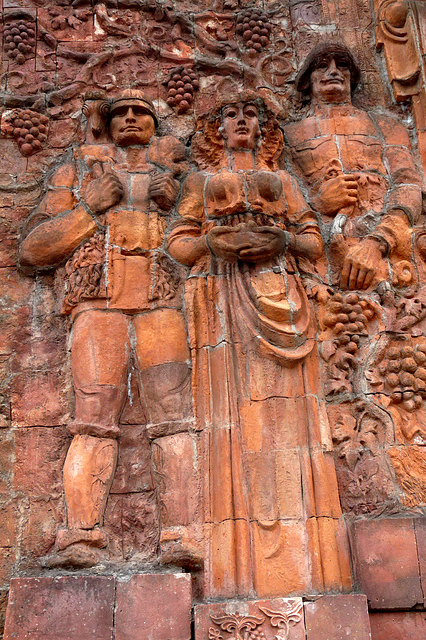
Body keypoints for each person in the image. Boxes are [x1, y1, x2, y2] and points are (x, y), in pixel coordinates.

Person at [167, 94, 352, 598]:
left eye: (250, 115)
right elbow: (179, 243)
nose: (241, 121)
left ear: (264, 129)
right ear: (217, 129)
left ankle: (311, 569)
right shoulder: (201, 184)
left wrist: (282, 242)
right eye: (231, 114)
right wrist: (213, 244)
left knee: (297, 427)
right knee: (230, 423)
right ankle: (235, 578)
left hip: (284, 298)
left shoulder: (286, 183)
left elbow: (314, 242)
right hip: (223, 302)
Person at [19, 89, 191, 566]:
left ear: (157, 125)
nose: (132, 119)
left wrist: (175, 206)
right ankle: (81, 537)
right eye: (122, 114)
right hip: (97, 303)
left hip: (162, 299)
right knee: (92, 418)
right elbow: (34, 250)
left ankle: (182, 535)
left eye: (143, 113)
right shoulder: (77, 169)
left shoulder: (179, 175)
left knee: (174, 417)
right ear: (107, 123)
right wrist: (90, 208)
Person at [285, 42, 422, 290]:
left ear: (352, 76)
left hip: (384, 248)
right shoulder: (289, 135)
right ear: (307, 79)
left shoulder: (386, 126)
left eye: (343, 65)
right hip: (319, 257)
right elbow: (279, 197)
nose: (334, 71)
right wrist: (317, 202)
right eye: (322, 66)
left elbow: (407, 185)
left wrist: (377, 242)